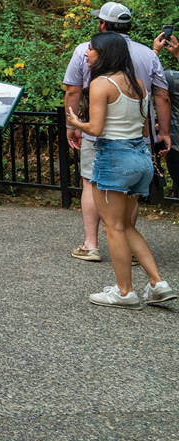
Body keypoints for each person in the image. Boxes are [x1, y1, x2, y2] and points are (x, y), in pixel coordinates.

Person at [65, 33, 175, 308]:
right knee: (126, 225)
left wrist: (77, 122)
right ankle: (157, 283)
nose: (86, 54)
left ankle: (124, 292)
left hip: (114, 158)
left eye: (90, 50)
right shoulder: (138, 83)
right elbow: (144, 125)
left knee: (113, 228)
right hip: (139, 157)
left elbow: (97, 129)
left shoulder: (101, 84)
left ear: (104, 53)